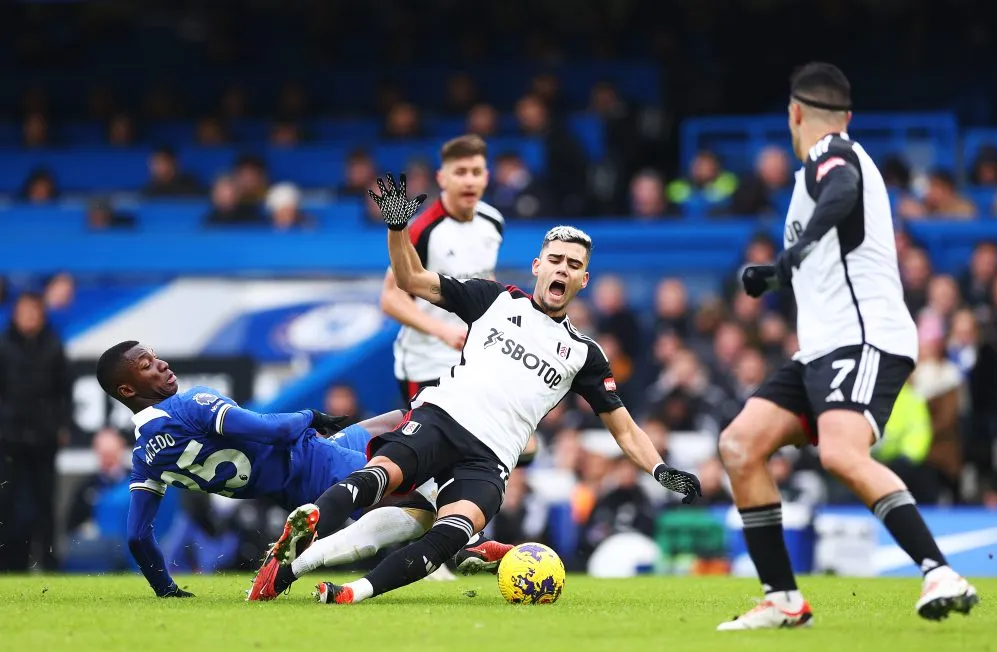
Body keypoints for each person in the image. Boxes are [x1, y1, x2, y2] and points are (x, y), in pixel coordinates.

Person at [263, 174, 701, 606]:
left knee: (446, 533)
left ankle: (349, 592)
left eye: (573, 265)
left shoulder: (584, 355)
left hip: (489, 459)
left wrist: (661, 471)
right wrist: (398, 230)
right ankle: (299, 542)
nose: (562, 269)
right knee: (382, 477)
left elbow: (624, 429)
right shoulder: (495, 299)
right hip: (442, 419)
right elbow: (412, 279)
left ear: (583, 280)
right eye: (556, 259)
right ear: (538, 265)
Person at [730, 62, 978, 629]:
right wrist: (778, 274)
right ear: (847, 112)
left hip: (863, 338)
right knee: (741, 444)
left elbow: (840, 189)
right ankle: (784, 601)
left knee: (841, 453)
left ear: (795, 114)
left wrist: (786, 259)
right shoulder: (813, 173)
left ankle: (939, 570)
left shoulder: (831, 154)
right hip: (820, 347)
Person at [95, 341, 506, 598]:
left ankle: (461, 540)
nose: (162, 363)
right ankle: (465, 546)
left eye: (155, 355)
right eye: (146, 364)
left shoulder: (145, 457)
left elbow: (136, 536)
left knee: (410, 417)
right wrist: (309, 414)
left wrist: (166, 590)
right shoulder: (191, 403)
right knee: (420, 500)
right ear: (127, 390)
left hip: (300, 475)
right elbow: (266, 430)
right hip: (314, 461)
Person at [379, 134, 504, 406]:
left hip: (474, 357)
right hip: (427, 364)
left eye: (476, 172)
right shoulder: (423, 230)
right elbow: (390, 298)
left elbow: (485, 279)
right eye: (460, 172)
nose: (469, 180)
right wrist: (442, 331)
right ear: (442, 178)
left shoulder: (493, 221)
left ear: (486, 177)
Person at [0, 292, 71, 572]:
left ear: (42, 314)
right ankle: (8, 562)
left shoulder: (53, 346)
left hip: (44, 437)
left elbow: (64, 390)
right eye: (24, 311)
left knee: (45, 502)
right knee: (7, 500)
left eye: (34, 311)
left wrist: (62, 425)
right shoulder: (3, 346)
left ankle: (49, 562)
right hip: (8, 437)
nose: (29, 317)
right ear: (15, 314)